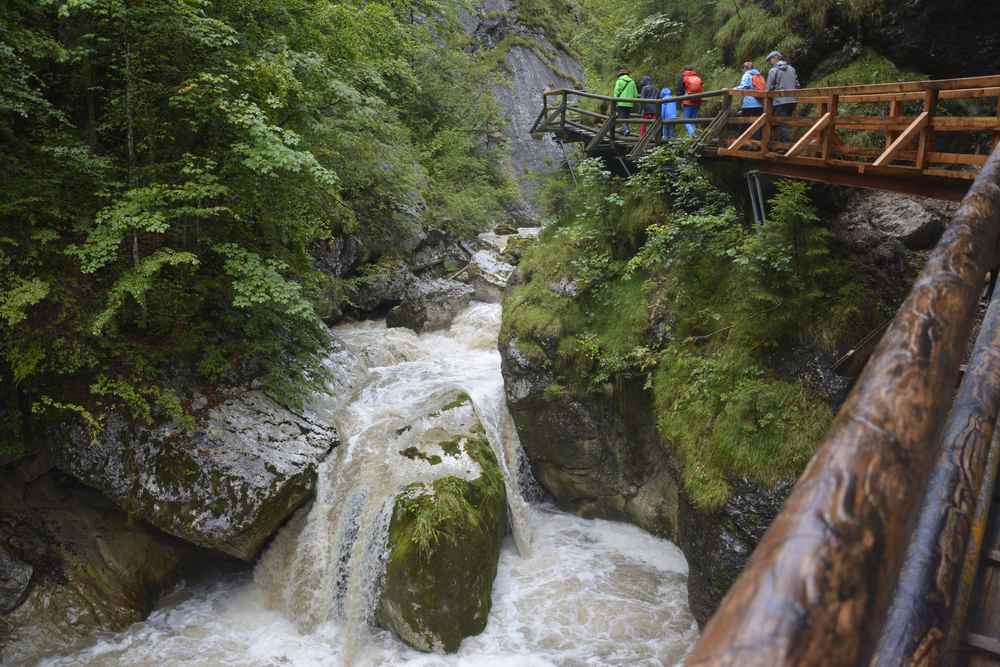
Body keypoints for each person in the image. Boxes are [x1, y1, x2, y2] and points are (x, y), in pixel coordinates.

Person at [766, 50, 800, 144]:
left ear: (775, 58)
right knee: (786, 122)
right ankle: (784, 145)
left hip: (780, 101)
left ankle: (786, 147)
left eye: (770, 60)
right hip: (793, 100)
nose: (769, 62)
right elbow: (797, 85)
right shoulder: (792, 69)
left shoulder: (774, 70)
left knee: (781, 123)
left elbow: (768, 89)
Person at [736, 61, 764, 141]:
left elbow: (744, 86)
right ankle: (757, 143)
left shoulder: (747, 74)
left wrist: (734, 88)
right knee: (757, 124)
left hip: (749, 104)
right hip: (760, 103)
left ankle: (742, 142)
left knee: (744, 123)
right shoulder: (758, 75)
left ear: (744, 68)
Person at [676, 65, 704, 137]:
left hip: (688, 102)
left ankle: (692, 134)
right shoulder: (697, 77)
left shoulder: (683, 78)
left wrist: (678, 105)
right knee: (693, 120)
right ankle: (693, 137)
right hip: (697, 101)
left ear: (684, 70)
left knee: (686, 120)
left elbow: (679, 92)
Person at [613, 66, 638, 136]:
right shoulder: (632, 82)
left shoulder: (619, 81)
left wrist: (614, 101)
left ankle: (626, 130)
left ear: (620, 75)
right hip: (630, 104)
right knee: (626, 118)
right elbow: (635, 94)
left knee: (621, 117)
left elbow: (616, 92)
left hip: (621, 103)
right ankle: (626, 130)